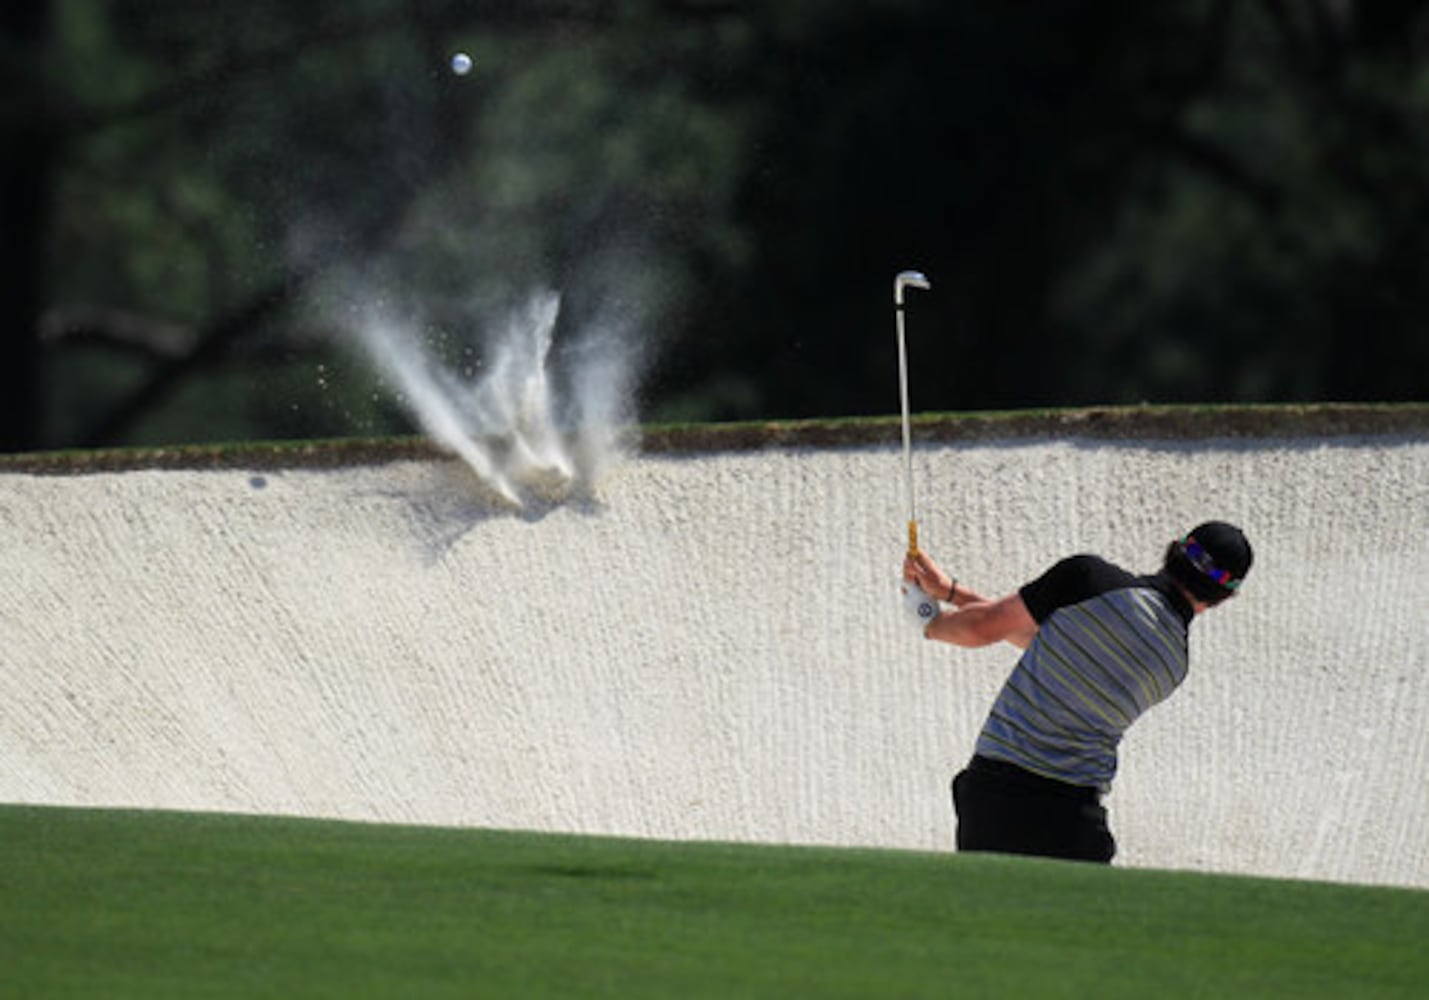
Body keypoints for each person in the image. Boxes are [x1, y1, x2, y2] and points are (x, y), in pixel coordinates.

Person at [900, 521, 1253, 864]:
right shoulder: (1175, 664)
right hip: (1074, 821)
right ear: (1224, 596)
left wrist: (926, 618)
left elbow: (983, 628)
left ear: (1174, 550)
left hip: (997, 797)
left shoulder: (1089, 578)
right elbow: (1051, 642)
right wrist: (951, 592)